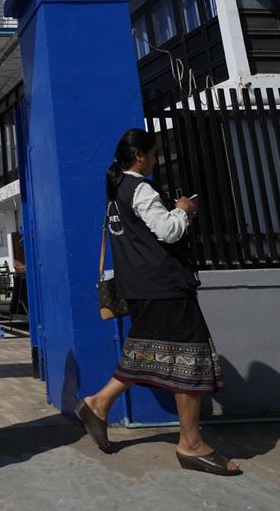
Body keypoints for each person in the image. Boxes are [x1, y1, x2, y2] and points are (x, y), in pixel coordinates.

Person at [74, 129, 241, 475]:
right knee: (190, 357)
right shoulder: (140, 188)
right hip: (163, 286)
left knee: (148, 351)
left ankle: (98, 403)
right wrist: (182, 210)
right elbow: (167, 232)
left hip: (139, 286)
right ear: (139, 156)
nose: (154, 160)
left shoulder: (116, 191)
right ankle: (191, 444)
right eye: (152, 155)